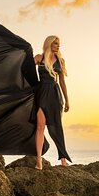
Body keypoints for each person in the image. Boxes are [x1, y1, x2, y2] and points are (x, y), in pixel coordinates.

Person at [34, 35, 72, 169]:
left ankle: (63, 158)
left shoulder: (60, 61)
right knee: (40, 126)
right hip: (41, 93)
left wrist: (67, 100)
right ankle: (38, 159)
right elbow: (25, 69)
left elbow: (62, 82)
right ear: (49, 44)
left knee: (56, 126)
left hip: (54, 95)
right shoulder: (39, 57)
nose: (58, 46)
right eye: (55, 43)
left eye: (59, 44)